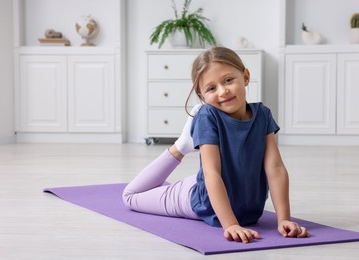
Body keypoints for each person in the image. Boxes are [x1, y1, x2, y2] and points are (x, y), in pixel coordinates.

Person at [123, 46, 308, 243]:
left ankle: (187, 145)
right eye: (211, 88)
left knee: (211, 173)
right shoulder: (207, 116)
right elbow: (212, 173)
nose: (223, 91)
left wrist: (284, 219)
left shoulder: (262, 114)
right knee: (130, 196)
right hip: (201, 198)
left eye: (228, 80)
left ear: (245, 77)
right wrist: (231, 224)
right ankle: (181, 146)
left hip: (241, 203)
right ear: (202, 97)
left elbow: (275, 168)